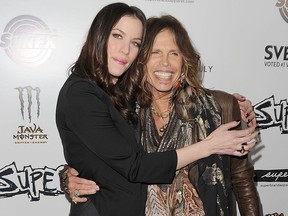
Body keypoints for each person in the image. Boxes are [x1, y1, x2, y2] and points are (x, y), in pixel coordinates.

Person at [56, 3, 259, 215]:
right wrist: (68, 176)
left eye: (174, 53)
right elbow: (105, 158)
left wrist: (231, 105)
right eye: (155, 52)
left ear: (184, 61)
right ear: (141, 61)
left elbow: (242, 179)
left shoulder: (217, 107)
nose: (165, 63)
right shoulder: (123, 105)